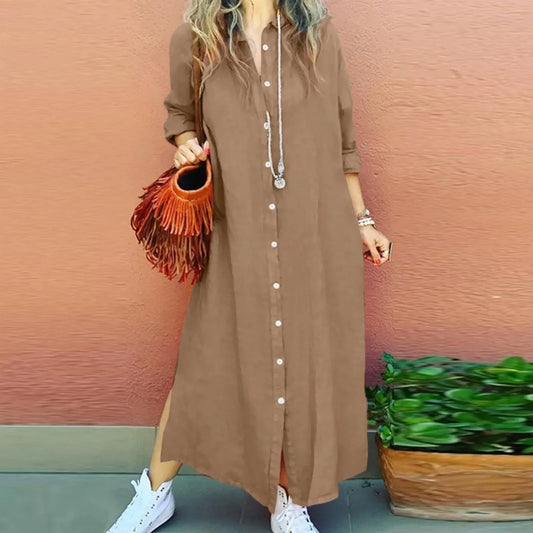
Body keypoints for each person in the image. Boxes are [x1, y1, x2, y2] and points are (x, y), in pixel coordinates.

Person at [106, 0, 391, 532]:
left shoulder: (317, 36)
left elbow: (343, 137)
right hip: (234, 228)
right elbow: (180, 117)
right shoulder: (197, 37)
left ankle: (288, 501)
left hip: (314, 230)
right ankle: (155, 493)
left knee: (299, 365)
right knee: (207, 360)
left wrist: (363, 219)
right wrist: (185, 147)